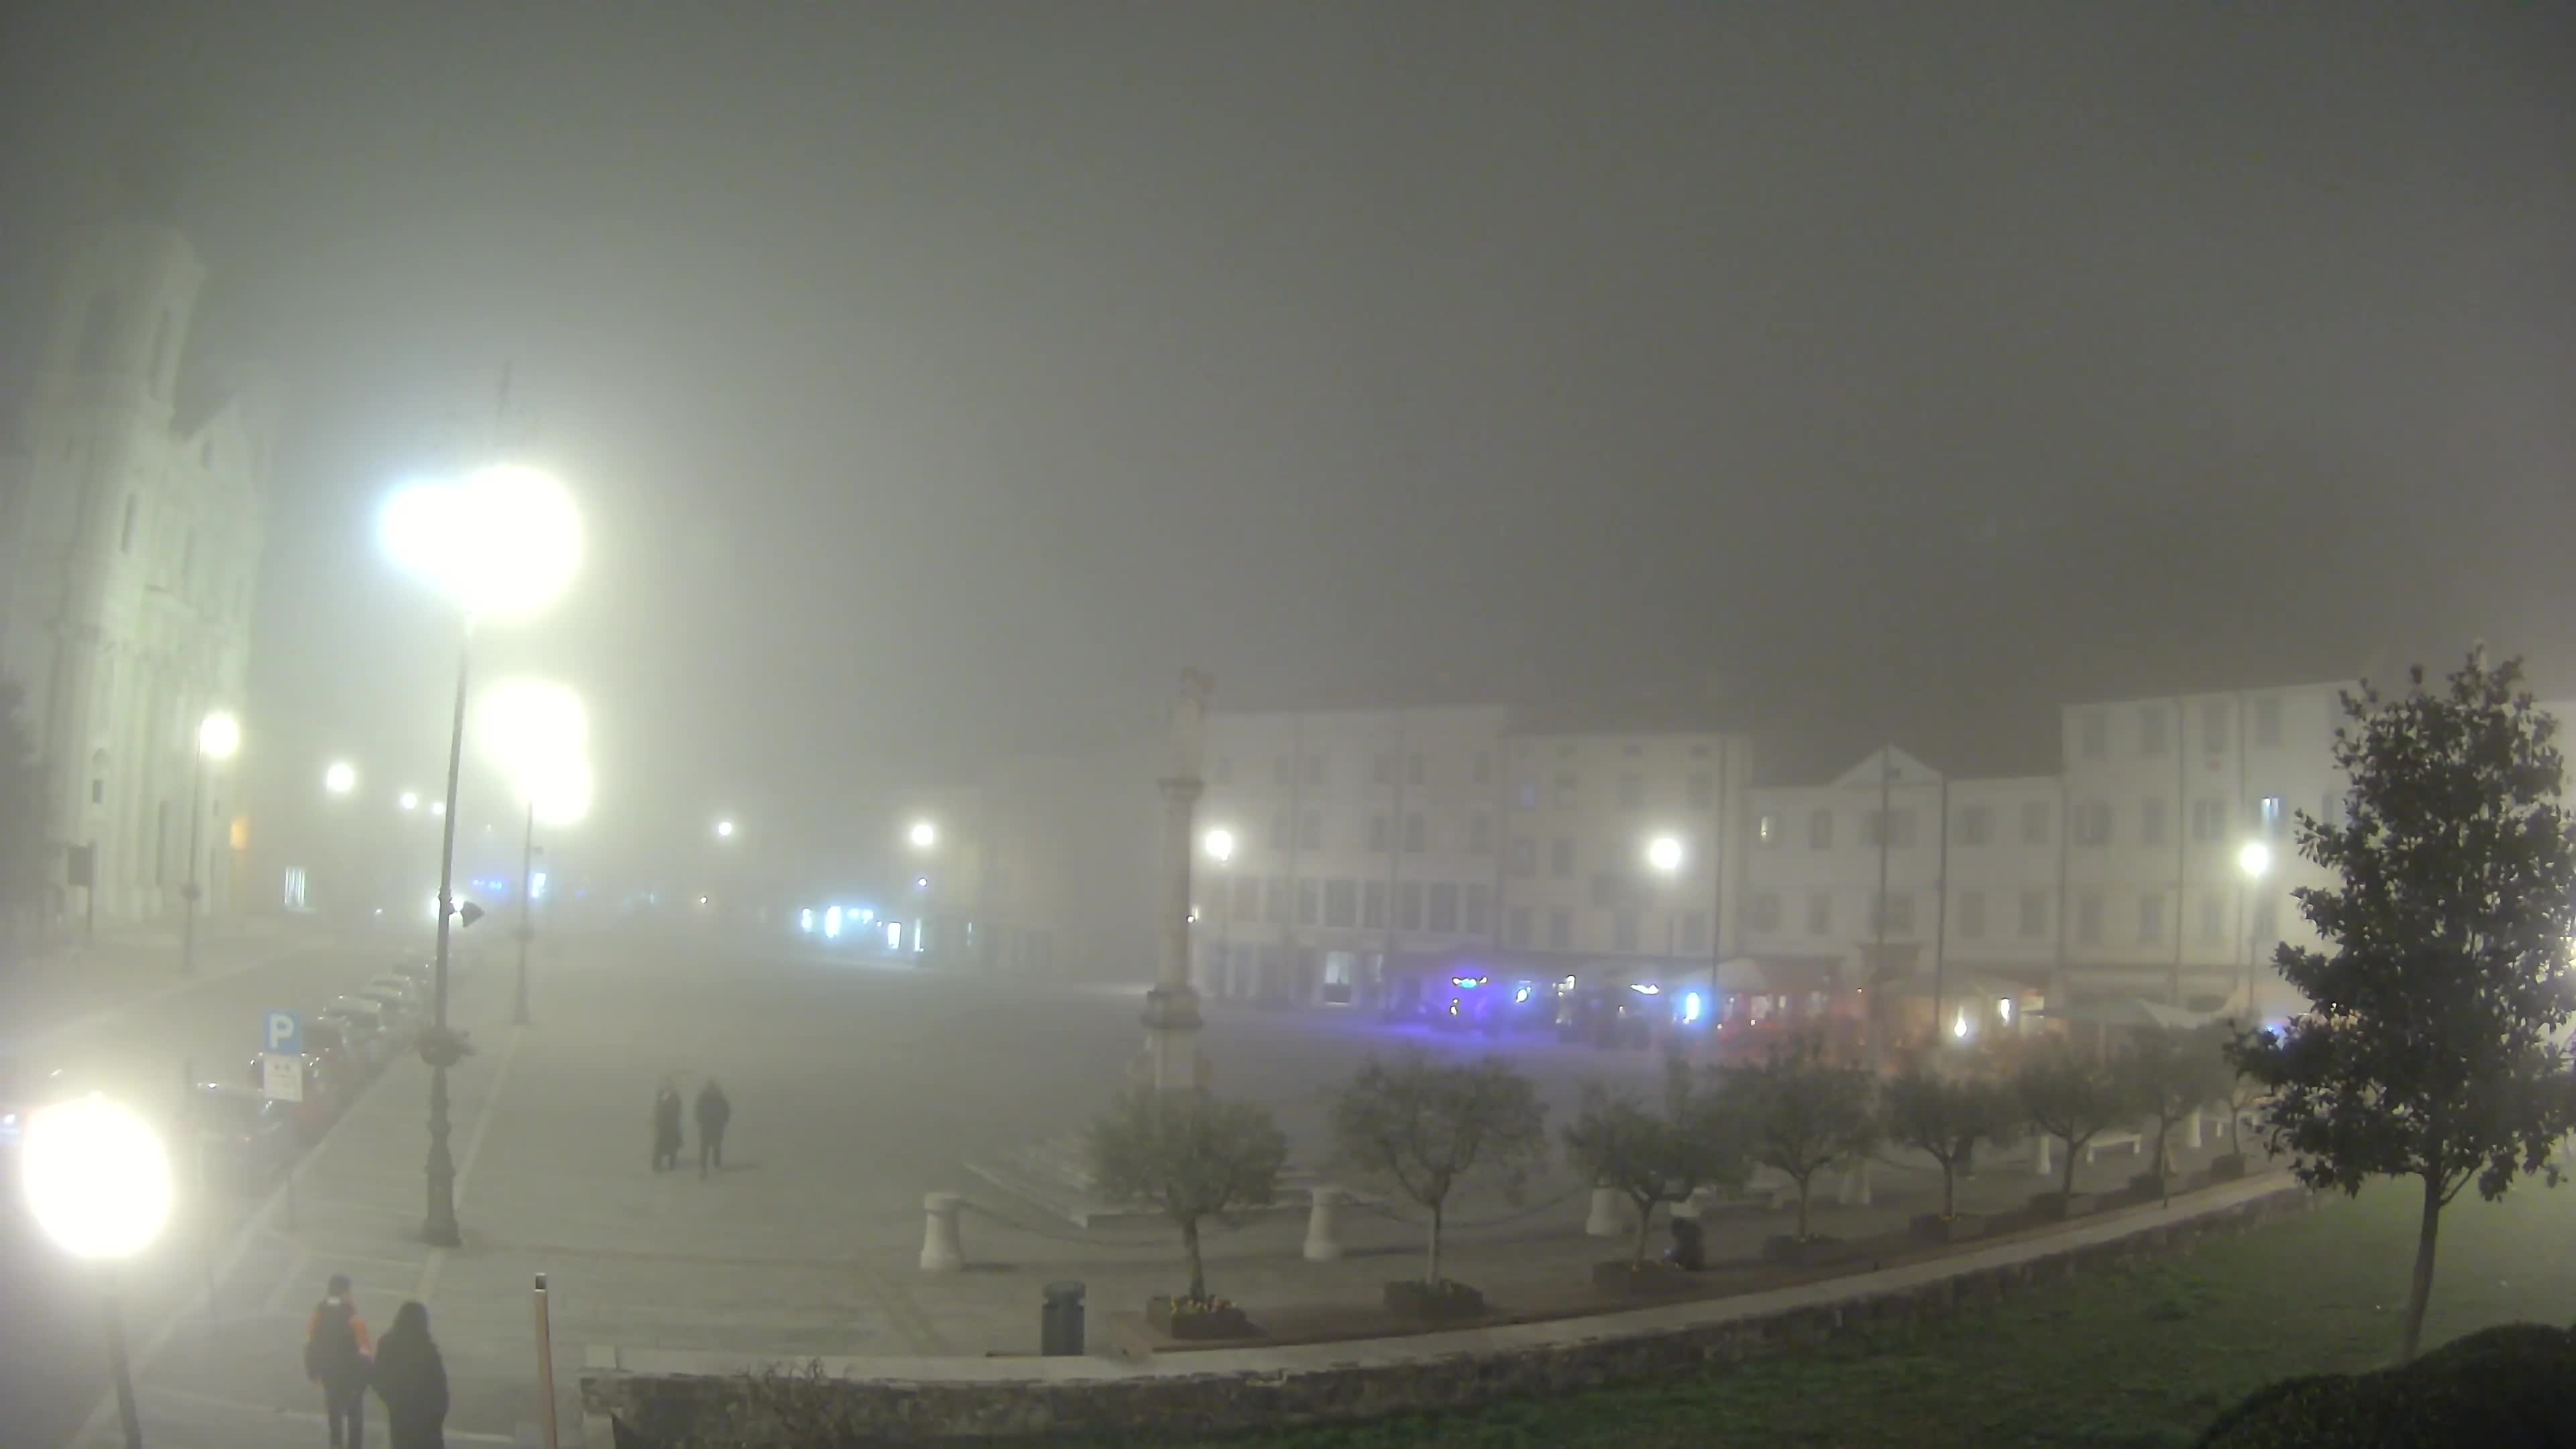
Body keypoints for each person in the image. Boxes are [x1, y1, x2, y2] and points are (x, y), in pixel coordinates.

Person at [304, 1274, 374, 1448]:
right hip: (351, 1376)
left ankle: (336, 1443)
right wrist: (367, 1378)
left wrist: (313, 1371)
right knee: (355, 1413)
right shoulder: (353, 1317)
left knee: (334, 1410)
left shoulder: (319, 1311)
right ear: (345, 1294)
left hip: (328, 1373)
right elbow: (365, 1351)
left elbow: (309, 1342)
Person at [370, 1300, 449, 1449]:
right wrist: (438, 1413)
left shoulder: (387, 1343)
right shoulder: (427, 1349)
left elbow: (377, 1377)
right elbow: (440, 1388)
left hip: (400, 1413)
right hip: (426, 1418)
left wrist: (391, 1400)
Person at [694, 1077, 732, 1178]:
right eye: (709, 1086)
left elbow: (727, 1110)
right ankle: (703, 1168)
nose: (711, 1088)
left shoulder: (720, 1098)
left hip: (717, 1126)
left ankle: (716, 1165)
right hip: (706, 1126)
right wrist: (700, 1120)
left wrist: (723, 1121)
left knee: (717, 1147)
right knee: (704, 1148)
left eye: (712, 1086)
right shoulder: (702, 1098)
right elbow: (697, 1111)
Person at [651, 1078, 684, 1172]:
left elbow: (679, 1109)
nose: (669, 1087)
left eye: (671, 1085)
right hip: (663, 1124)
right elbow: (659, 1108)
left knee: (672, 1145)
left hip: (672, 1124)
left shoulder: (676, 1096)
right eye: (668, 1085)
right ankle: (657, 1165)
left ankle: (672, 1165)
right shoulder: (663, 1095)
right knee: (660, 1145)